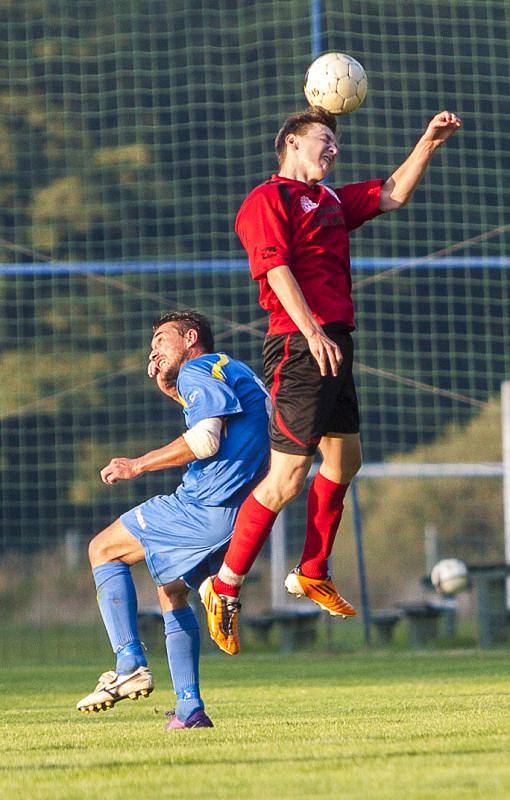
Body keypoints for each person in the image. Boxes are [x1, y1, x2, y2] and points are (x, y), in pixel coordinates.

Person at [200, 106, 462, 655]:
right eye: (324, 139)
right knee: (287, 477)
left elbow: (391, 194)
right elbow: (276, 269)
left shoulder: (331, 201)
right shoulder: (266, 200)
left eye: (335, 142)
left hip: (333, 342)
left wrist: (429, 143)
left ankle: (313, 569)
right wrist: (313, 331)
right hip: (300, 345)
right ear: (292, 143)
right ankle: (224, 586)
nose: (333, 149)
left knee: (345, 461)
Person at [76, 310, 270, 728]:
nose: (154, 351)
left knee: (103, 549)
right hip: (241, 514)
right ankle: (190, 709)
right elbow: (224, 423)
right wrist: (170, 386)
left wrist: (138, 465)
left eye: (161, 341)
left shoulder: (197, 369)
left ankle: (128, 662)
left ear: (191, 337)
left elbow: (205, 439)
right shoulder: (231, 369)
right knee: (170, 590)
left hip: (202, 505)